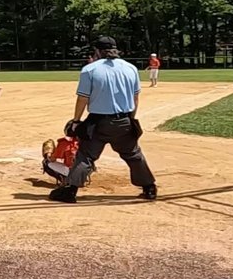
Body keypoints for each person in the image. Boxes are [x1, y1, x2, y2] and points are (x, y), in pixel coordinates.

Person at [49, 36, 157, 203]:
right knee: (133, 154)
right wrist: (131, 119)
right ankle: (149, 188)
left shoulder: (90, 70)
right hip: (125, 119)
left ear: (98, 51)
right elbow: (135, 98)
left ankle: (70, 191)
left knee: (85, 155)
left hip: (98, 122)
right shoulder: (131, 68)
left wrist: (76, 120)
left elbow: (83, 98)